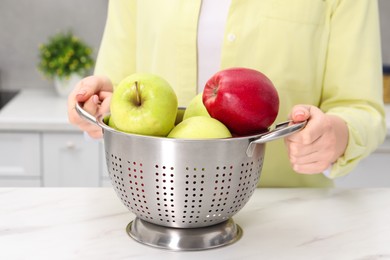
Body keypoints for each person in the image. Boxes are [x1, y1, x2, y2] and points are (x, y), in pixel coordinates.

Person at [68, 0, 386, 187]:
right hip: (155, 206)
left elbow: (361, 106)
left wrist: (339, 135)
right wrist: (97, 107)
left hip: (284, 223)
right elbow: (116, 87)